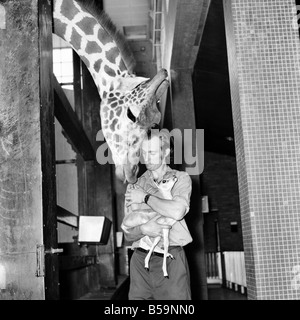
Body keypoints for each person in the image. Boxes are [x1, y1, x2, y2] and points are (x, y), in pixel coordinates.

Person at [121, 129, 193, 300]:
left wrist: (145, 198)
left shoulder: (180, 178)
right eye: (143, 152)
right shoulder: (135, 185)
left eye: (152, 152)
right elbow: (127, 232)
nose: (146, 157)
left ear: (165, 152)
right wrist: (144, 229)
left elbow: (177, 211)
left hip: (171, 259)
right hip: (140, 261)